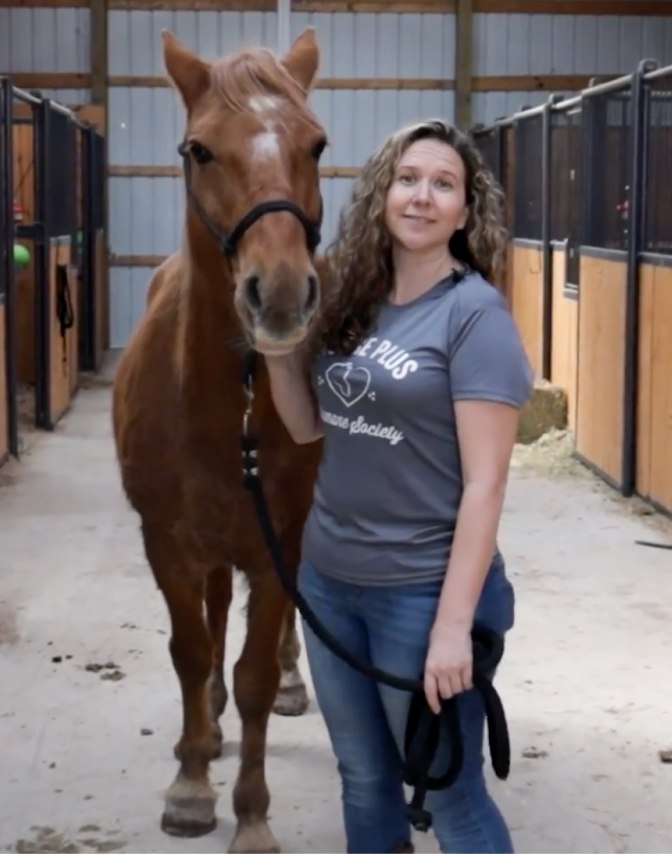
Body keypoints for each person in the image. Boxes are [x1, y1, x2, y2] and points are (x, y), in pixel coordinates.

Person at [262, 119, 533, 854]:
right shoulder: (354, 298)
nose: (422, 196)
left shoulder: (474, 316)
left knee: (451, 796)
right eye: (408, 179)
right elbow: (307, 428)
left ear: (465, 212)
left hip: (420, 591)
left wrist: (451, 627)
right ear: (382, 193)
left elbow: (485, 486)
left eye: (444, 184)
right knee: (363, 779)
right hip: (329, 580)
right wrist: (278, 347)